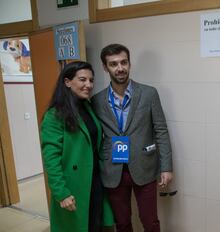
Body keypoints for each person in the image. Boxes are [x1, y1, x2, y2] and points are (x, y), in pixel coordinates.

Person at [91, 44, 173, 232]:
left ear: (129, 63)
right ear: (105, 67)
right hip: (113, 171)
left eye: (123, 62)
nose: (120, 68)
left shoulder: (149, 93)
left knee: (150, 221)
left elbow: (161, 130)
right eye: (113, 64)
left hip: (145, 167)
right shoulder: (97, 100)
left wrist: (166, 167)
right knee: (122, 222)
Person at [40, 61, 114, 232]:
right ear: (67, 82)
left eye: (91, 80)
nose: (88, 85)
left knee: (95, 224)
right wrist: (61, 193)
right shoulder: (54, 115)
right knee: (79, 227)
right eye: (82, 80)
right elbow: (51, 159)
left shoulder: (87, 106)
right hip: (73, 185)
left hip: (94, 179)